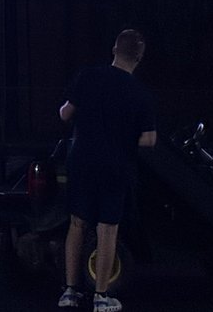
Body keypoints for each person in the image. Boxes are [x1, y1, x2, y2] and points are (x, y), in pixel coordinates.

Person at [57, 29, 157, 312]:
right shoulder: (141, 94)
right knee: (107, 229)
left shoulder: (87, 76)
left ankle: (70, 291)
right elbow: (149, 140)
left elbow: (66, 113)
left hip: (82, 160)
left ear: (114, 48)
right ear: (139, 57)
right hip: (116, 165)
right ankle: (101, 296)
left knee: (77, 223)